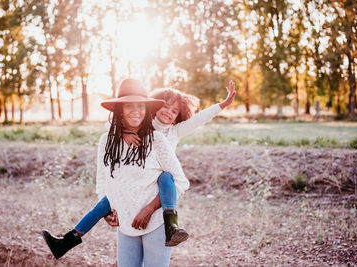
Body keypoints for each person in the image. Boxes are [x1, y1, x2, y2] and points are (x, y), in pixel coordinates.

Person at [42, 80, 237, 260]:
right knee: (101, 206)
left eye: (174, 111)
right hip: (126, 219)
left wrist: (223, 104)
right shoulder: (121, 135)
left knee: (166, 176)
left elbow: (199, 119)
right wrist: (123, 132)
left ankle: (171, 223)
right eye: (166, 107)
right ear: (155, 108)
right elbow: (105, 172)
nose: (168, 112)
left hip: (158, 199)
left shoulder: (168, 134)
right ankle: (68, 240)